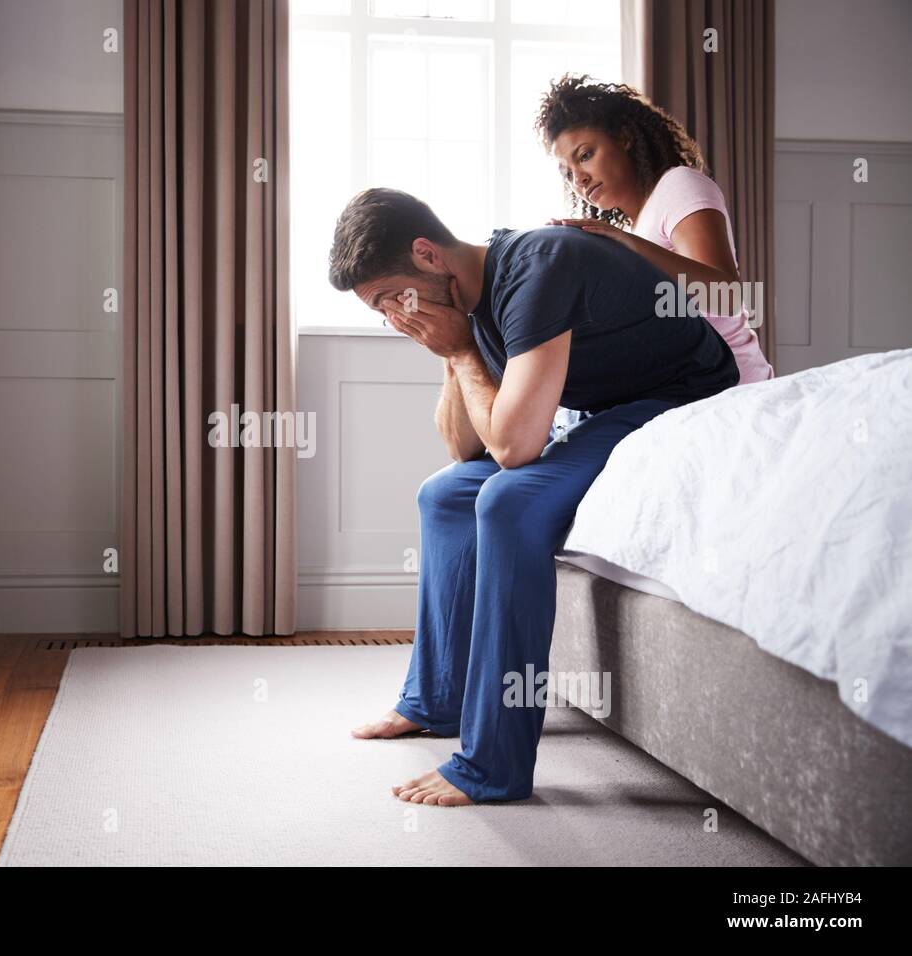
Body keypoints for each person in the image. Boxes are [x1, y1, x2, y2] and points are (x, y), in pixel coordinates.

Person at [328, 187, 738, 805]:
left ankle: (494, 765)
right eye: (380, 310)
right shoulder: (466, 301)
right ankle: (436, 699)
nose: (394, 318)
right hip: (605, 412)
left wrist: (462, 349)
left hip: (682, 400)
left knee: (507, 501)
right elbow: (464, 451)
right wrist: (450, 353)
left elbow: (515, 449)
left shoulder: (538, 268)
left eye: (392, 298)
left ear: (427, 255)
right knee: (444, 496)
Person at [536, 73, 774, 384]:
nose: (578, 179)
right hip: (681, 391)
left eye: (585, 155)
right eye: (568, 173)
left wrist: (625, 246)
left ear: (624, 138)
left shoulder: (678, 185)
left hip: (733, 391)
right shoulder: (633, 228)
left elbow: (726, 296)